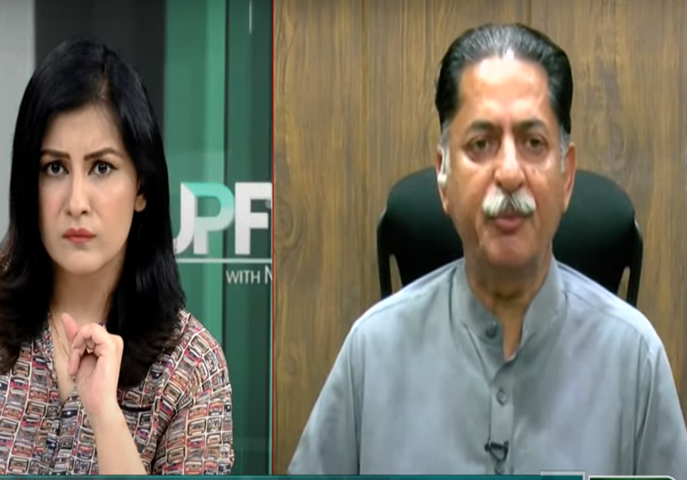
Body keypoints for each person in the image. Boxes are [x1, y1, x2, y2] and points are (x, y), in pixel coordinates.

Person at [289, 23, 687, 476]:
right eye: (481, 144)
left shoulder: (634, 358)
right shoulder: (373, 350)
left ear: (566, 177)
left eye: (534, 143)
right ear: (443, 177)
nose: (510, 173)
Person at [0, 38, 233, 476]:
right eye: (55, 168)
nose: (76, 202)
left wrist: (106, 418)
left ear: (142, 186)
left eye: (102, 167)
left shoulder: (192, 366)